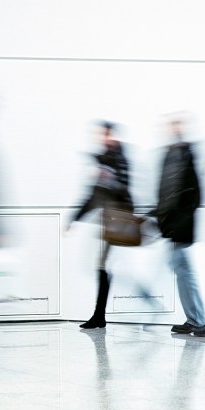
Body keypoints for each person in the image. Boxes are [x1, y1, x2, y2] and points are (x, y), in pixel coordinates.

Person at [67, 121, 134, 329]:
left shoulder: (120, 159)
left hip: (119, 219)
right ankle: (99, 315)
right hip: (108, 219)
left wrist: (108, 175)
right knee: (101, 266)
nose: (103, 138)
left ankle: (100, 315)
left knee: (103, 266)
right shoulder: (105, 159)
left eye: (106, 134)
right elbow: (92, 194)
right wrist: (75, 218)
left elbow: (124, 187)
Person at [153, 117, 205, 334]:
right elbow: (164, 193)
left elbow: (194, 196)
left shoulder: (187, 157)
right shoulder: (169, 156)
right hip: (171, 227)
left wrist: (176, 223)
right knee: (183, 271)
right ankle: (195, 319)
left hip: (180, 228)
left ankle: (198, 320)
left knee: (183, 271)